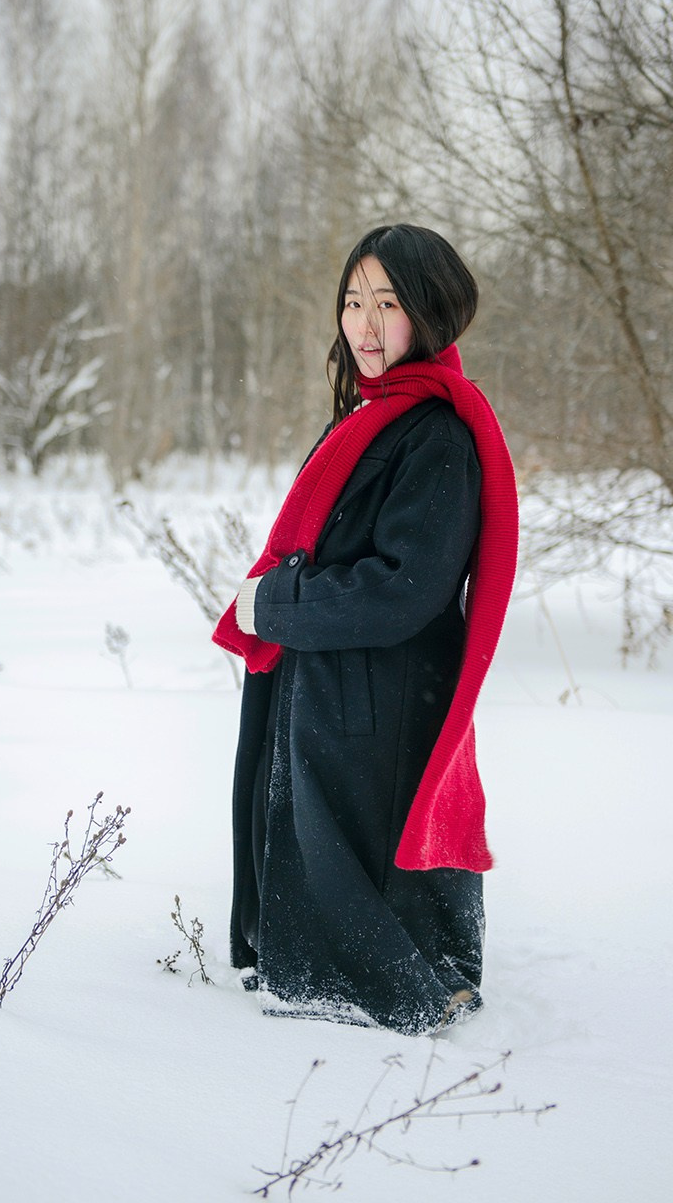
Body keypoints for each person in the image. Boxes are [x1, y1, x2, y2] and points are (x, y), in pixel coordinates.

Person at [213, 224, 518, 1036]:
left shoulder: (437, 434)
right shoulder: (373, 416)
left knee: (356, 855)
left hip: (380, 698)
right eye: (354, 301)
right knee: (318, 846)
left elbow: (401, 590)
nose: (365, 324)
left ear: (431, 312)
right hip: (331, 684)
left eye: (388, 303)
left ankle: (413, 985)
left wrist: (275, 605)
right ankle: (313, 968)